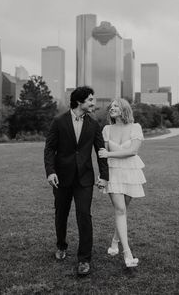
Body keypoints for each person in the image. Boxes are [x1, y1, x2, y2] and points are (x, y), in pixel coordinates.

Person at [44, 86, 108, 276]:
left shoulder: (94, 124)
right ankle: (61, 246)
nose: (93, 103)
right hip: (61, 177)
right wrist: (50, 172)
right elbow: (49, 149)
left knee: (84, 215)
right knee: (61, 214)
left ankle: (84, 259)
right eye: (90, 100)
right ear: (79, 102)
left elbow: (101, 152)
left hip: (84, 178)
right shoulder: (58, 121)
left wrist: (104, 176)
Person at [98, 98, 146, 268]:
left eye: (116, 105)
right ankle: (127, 254)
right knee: (120, 210)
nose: (112, 108)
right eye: (111, 106)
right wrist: (102, 177)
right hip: (113, 173)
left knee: (123, 210)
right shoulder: (106, 129)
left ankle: (114, 241)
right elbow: (101, 155)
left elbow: (133, 151)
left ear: (124, 109)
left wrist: (109, 154)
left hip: (131, 172)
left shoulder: (135, 127)